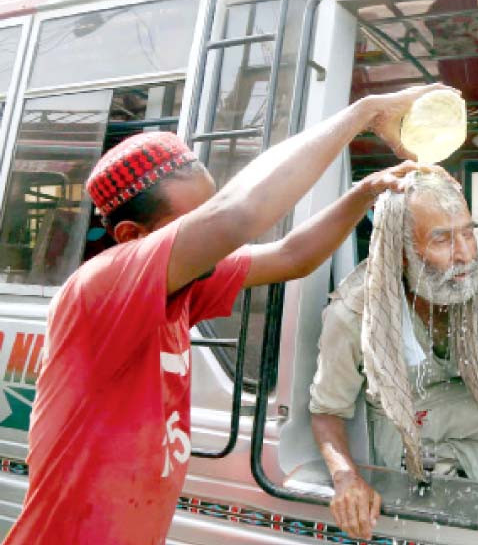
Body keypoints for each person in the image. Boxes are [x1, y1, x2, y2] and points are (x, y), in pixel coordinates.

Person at [5, 84, 452, 545]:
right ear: (131, 235)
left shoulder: (184, 285)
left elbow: (294, 256)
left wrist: (366, 190)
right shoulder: (102, 287)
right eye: (195, 229)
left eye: (208, 218)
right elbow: (237, 215)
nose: (213, 244)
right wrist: (365, 111)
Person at [310, 172, 478, 540]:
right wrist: (345, 477)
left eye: (467, 232)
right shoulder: (356, 312)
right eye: (442, 239)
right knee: (429, 481)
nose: (465, 253)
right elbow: (326, 410)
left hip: (476, 400)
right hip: (404, 416)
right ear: (401, 253)